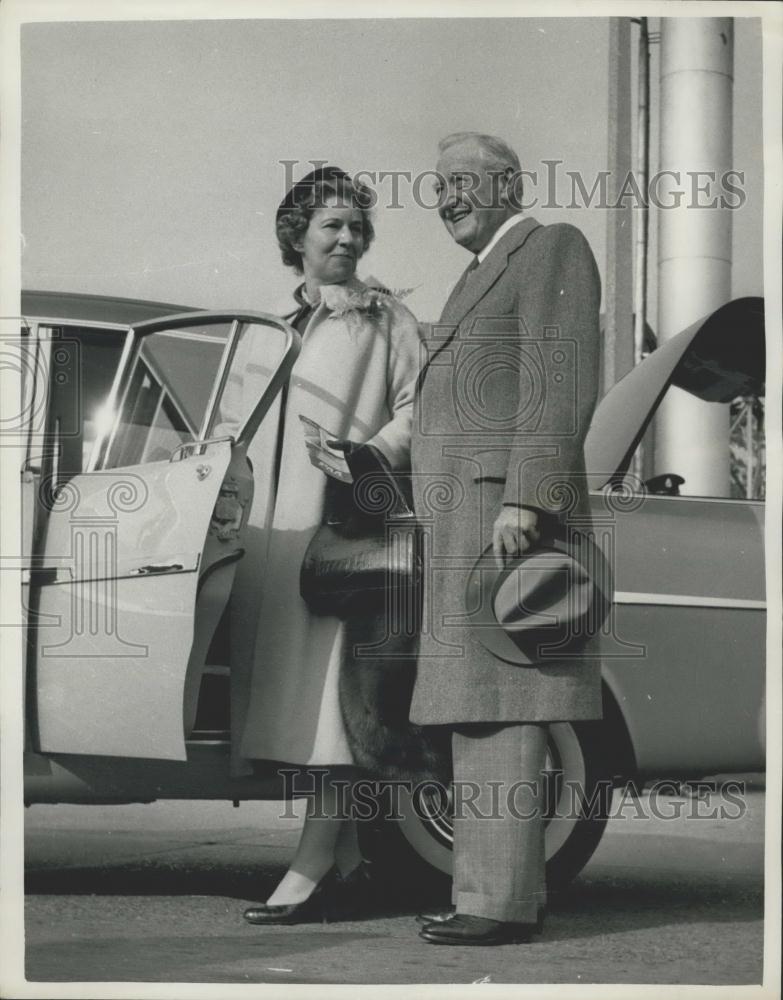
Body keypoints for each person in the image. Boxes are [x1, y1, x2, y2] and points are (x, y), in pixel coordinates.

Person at [410, 132, 602, 945]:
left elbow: (559, 375)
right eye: (438, 184)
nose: (447, 196)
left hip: (503, 519)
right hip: (466, 518)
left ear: (508, 185)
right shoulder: (476, 270)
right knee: (479, 706)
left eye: (462, 181)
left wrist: (526, 497)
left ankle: (496, 903)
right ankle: (491, 893)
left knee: (501, 707)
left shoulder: (546, 245)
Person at [221, 166, 423, 924]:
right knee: (295, 703)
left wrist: (366, 453)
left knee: (336, 702)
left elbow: (419, 410)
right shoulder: (271, 324)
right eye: (330, 226)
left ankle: (309, 867)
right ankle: (348, 862)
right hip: (273, 536)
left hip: (346, 532)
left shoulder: (387, 318)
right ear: (295, 237)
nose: (346, 239)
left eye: (355, 227)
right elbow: (234, 426)